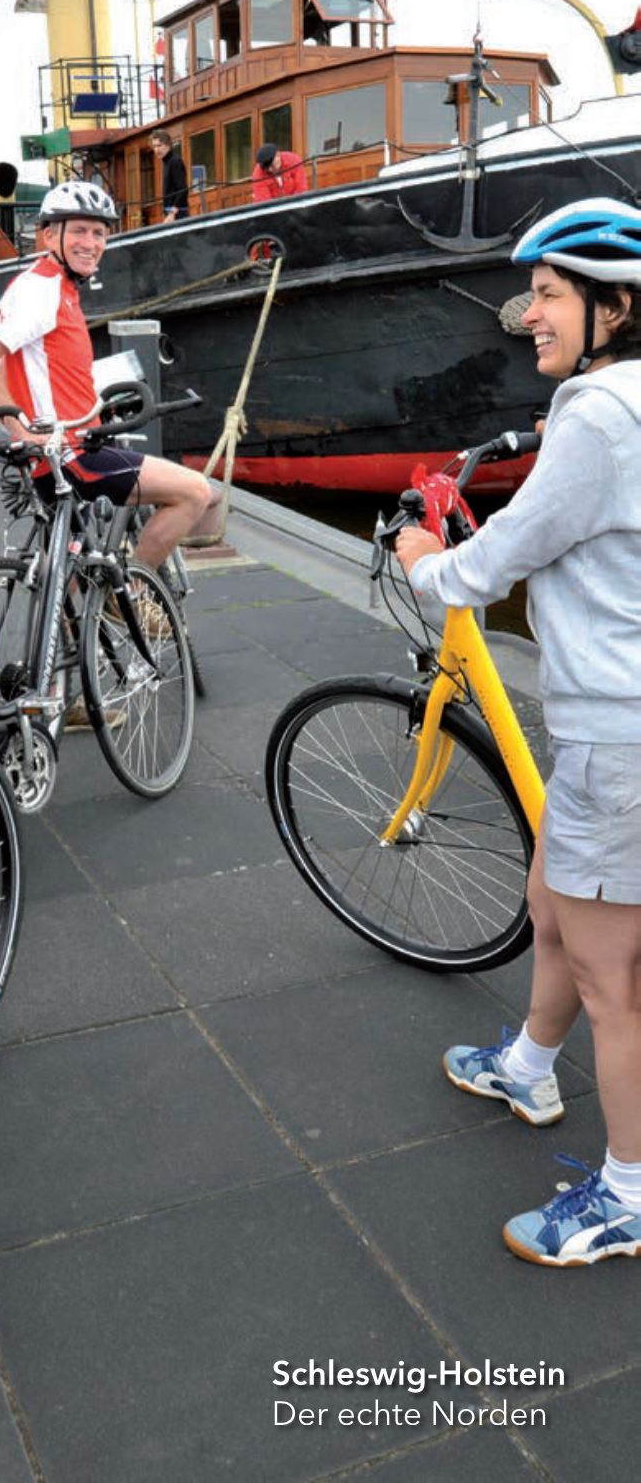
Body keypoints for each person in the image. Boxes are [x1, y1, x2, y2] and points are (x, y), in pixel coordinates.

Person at [396, 197, 641, 1267]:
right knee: (553, 893)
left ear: (615, 305)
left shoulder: (599, 417)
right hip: (623, 727)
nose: (527, 314)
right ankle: (530, 1067)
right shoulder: (613, 404)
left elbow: (488, 567)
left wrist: (417, 554)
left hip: (615, 732)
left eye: (548, 295)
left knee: (611, 975)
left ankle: (628, 1192)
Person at [0, 179, 220, 570]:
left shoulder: (61, 287)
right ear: (50, 235)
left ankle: (77, 624)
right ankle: (131, 595)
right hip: (73, 456)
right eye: (79, 231)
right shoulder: (41, 287)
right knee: (194, 492)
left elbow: (28, 366)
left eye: (99, 233)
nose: (91, 242)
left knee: (70, 577)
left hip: (67, 449)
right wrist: (22, 431)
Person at [150, 129, 190, 222]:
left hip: (178, 213)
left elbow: (183, 190)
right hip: (171, 213)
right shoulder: (166, 162)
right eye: (154, 146)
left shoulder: (175, 161)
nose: (156, 150)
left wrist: (172, 213)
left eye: (159, 145)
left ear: (168, 145)